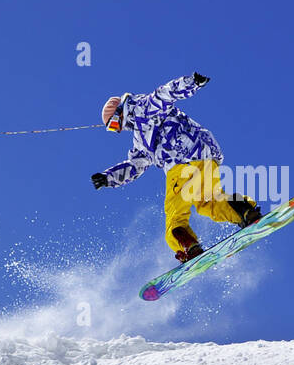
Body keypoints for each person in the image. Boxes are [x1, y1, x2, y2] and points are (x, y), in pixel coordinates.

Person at [91, 73, 262, 262]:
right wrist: (108, 177)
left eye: (114, 124)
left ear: (120, 112)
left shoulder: (143, 108)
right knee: (209, 202)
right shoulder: (140, 138)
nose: (118, 130)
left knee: (175, 215)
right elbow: (136, 165)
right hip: (205, 157)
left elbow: (166, 93)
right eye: (113, 129)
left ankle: (189, 247)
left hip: (180, 162)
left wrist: (192, 82)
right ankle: (246, 212)